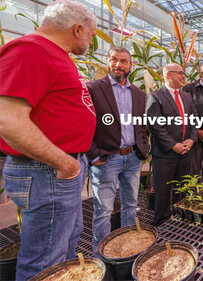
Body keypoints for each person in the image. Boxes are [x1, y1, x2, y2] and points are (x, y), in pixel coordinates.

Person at [0, 0, 97, 280]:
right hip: (46, 171)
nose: (92, 41)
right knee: (45, 261)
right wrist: (65, 163)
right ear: (78, 29)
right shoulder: (30, 50)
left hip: (58, 171)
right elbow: (7, 118)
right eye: (92, 34)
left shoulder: (56, 55)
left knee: (63, 247)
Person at [86, 47, 149, 256]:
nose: (118, 65)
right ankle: (102, 256)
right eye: (114, 60)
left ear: (131, 66)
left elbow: (142, 125)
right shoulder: (94, 88)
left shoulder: (138, 93)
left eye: (123, 61)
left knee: (131, 204)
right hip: (107, 159)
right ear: (108, 62)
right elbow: (86, 124)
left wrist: (143, 148)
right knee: (103, 211)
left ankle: (127, 249)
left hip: (132, 158)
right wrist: (94, 155)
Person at [146, 64, 198, 225]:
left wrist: (191, 139)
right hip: (165, 154)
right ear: (168, 74)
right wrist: (172, 145)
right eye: (180, 73)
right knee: (163, 190)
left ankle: (180, 218)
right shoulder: (155, 96)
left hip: (185, 151)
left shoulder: (186, 97)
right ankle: (162, 222)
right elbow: (155, 125)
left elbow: (194, 120)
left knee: (181, 188)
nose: (184, 76)